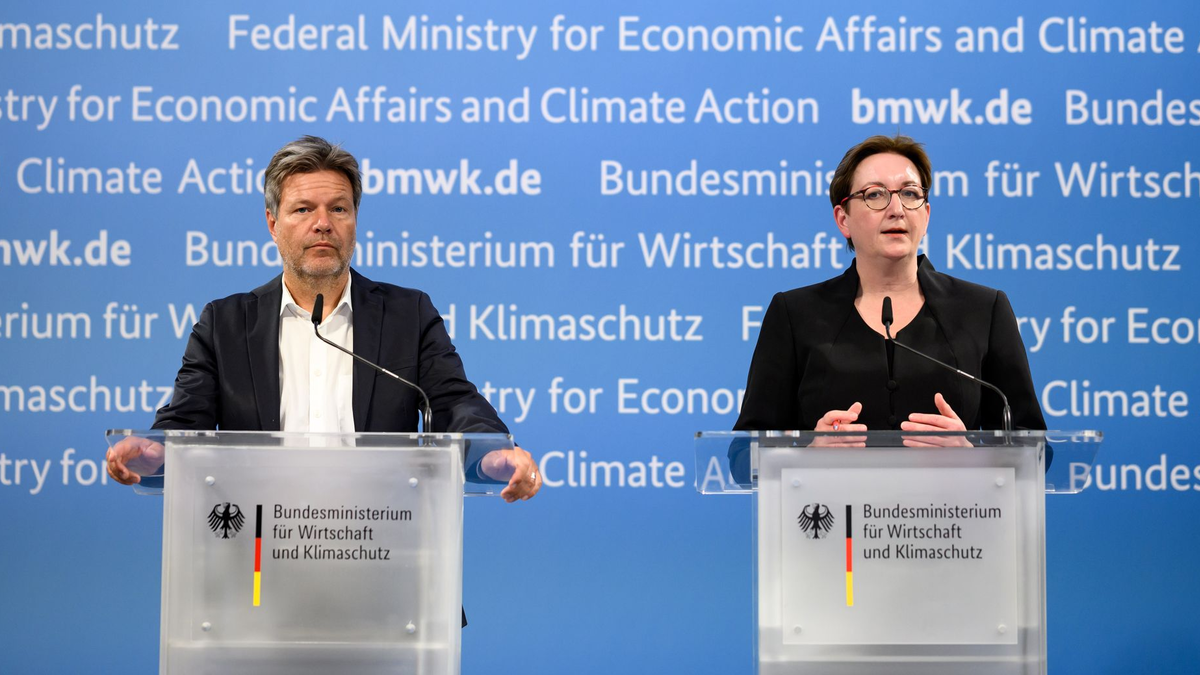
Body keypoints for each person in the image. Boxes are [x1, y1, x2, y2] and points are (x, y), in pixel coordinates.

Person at [107, 135, 541, 502]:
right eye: (302, 210)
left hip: (383, 551)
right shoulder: (225, 324)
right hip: (262, 559)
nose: (323, 224)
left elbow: (453, 403)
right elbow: (186, 424)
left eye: (339, 209)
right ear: (272, 223)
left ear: (354, 221)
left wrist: (492, 452)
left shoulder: (409, 315)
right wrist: (154, 451)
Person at [734, 135, 1046, 436]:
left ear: (925, 215)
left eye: (910, 194)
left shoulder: (983, 310)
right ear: (843, 219)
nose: (896, 209)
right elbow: (742, 457)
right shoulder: (794, 315)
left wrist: (969, 454)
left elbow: (1033, 451)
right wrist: (808, 452)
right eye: (875, 194)